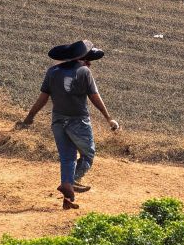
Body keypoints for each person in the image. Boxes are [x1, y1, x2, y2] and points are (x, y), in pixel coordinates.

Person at [20, 39, 120, 209]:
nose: (89, 64)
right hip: (78, 121)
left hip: (58, 120)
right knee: (88, 155)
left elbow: (43, 98)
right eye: (87, 60)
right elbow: (95, 98)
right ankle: (70, 181)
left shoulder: (52, 72)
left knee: (68, 158)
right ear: (81, 59)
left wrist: (30, 116)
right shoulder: (84, 72)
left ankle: (68, 198)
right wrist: (108, 118)